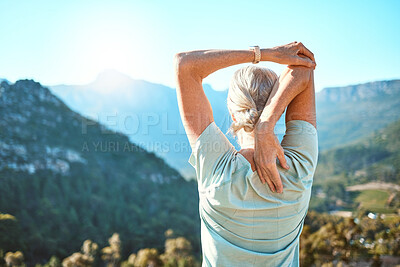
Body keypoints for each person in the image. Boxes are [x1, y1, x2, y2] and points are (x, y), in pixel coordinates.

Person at [174, 42, 318, 267]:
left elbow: (185, 64)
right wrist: (267, 123)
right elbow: (304, 66)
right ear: (283, 105)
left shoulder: (217, 170)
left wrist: (264, 54)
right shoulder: (300, 167)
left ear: (232, 111)